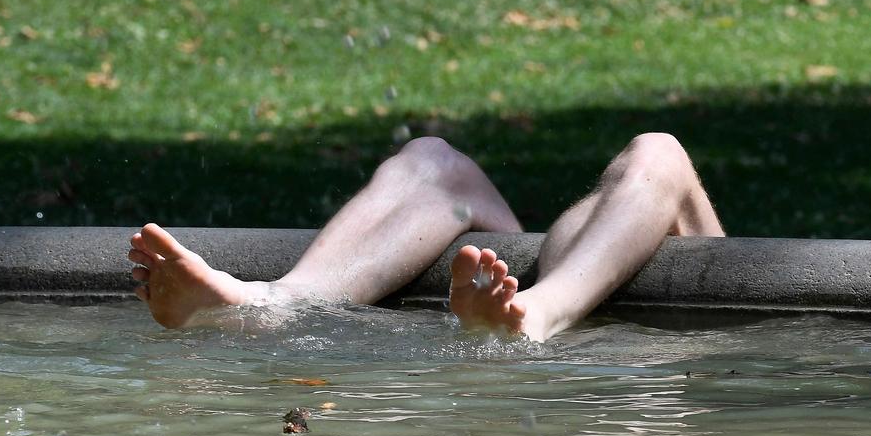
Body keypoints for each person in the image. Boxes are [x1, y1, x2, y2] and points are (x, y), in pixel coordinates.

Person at [127, 133, 723, 342]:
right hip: (553, 282)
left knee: (659, 155)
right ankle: (272, 303)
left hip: (571, 295)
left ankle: (537, 312)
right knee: (432, 161)